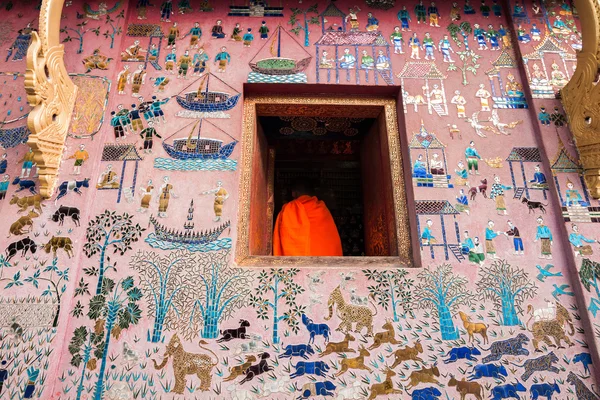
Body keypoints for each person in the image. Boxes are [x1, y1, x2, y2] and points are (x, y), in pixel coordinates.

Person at [272, 179, 342, 256]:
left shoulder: (288, 209)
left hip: (298, 263)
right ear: (312, 193)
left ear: (293, 193)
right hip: (326, 260)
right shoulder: (321, 208)